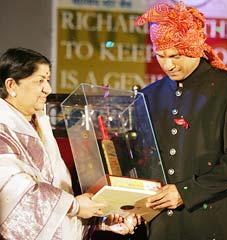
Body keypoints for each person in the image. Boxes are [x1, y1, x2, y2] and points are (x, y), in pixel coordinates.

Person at [0, 47, 139, 239]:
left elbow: (60, 193)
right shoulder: (3, 128)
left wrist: (101, 221)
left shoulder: (39, 122)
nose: (47, 89)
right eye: (39, 81)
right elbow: (16, 192)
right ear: (11, 85)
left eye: (47, 80)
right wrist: (75, 206)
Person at [135, 2, 227, 240]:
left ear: (194, 48)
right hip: (160, 226)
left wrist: (185, 191)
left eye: (175, 56)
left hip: (213, 223)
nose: (168, 65)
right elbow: (140, 158)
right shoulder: (149, 95)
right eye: (161, 55)